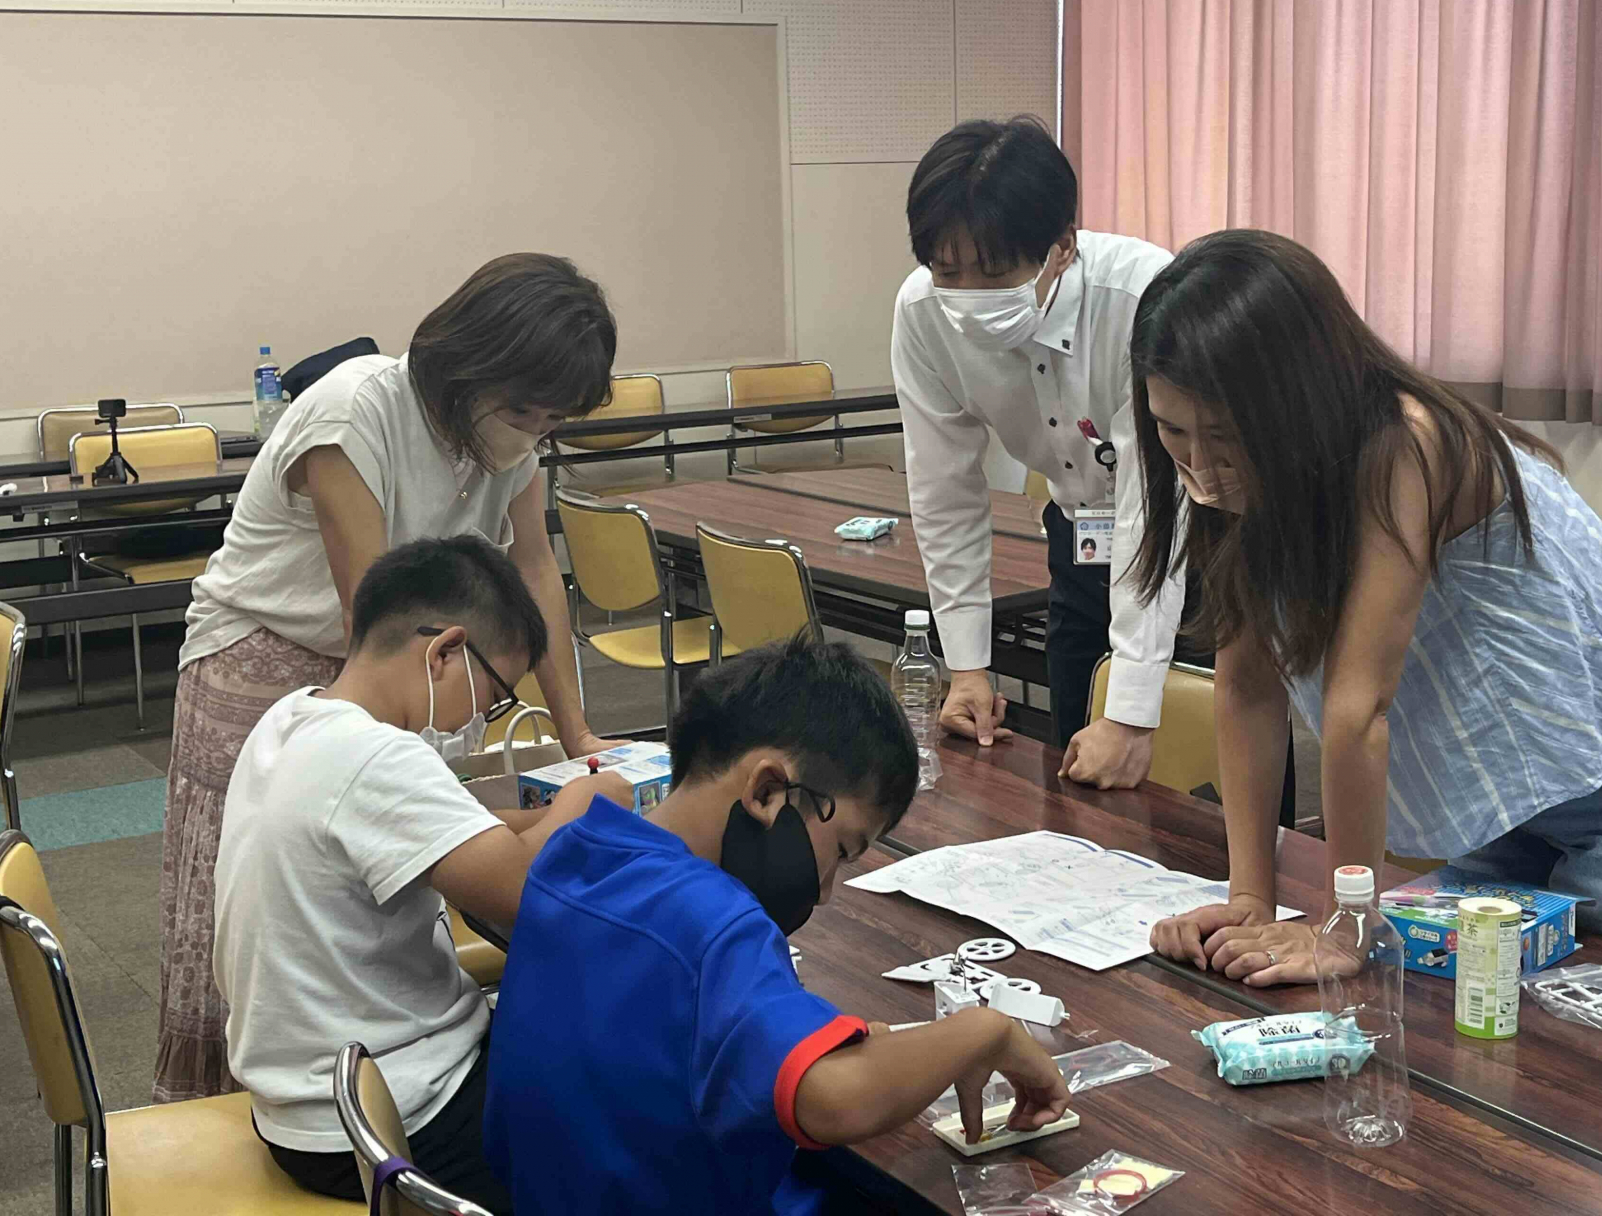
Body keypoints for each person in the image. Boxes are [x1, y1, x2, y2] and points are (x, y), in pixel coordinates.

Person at [1141, 230, 1602, 985]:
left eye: (1225, 437)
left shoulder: (1407, 444)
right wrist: (1251, 899)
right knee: (1475, 1033)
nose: (1199, 464)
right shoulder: (1248, 474)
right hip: (1517, 793)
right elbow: (1247, 688)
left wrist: (1344, 923)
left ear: (1295, 400)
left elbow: (1359, 711)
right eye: (1172, 430)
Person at [158, 251, 618, 1103]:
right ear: (470, 367)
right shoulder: (353, 411)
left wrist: (578, 730)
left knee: (373, 900)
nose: (531, 434)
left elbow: (536, 572)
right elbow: (374, 613)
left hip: (397, 665)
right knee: (277, 918)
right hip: (271, 657)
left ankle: (371, 1073)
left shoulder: (507, 437)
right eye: (522, 410)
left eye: (551, 421)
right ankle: (248, 1109)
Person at [484, 635, 1072, 1215]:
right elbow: (834, 1103)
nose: (825, 891)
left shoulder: (572, 853)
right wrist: (983, 1032)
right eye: (842, 850)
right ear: (768, 790)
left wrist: (842, 1051)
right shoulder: (716, 922)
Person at [213, 536, 626, 1208]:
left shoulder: (293, 720)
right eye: (492, 697)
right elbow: (529, 892)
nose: (478, 720)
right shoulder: (375, 757)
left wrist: (544, 813)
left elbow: (465, 826)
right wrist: (583, 800)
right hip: (392, 1118)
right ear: (443, 653)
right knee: (629, 1117)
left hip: (310, 1102)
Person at [892, 117, 1225, 794]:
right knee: (1079, 766)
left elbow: (1149, 504)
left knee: (1216, 773)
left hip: (1199, 539)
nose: (969, 297)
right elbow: (945, 492)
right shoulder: (924, 315)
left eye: (994, 272)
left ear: (1062, 247)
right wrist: (968, 668)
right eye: (947, 271)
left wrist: (1132, 714)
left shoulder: (1142, 297)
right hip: (1078, 541)